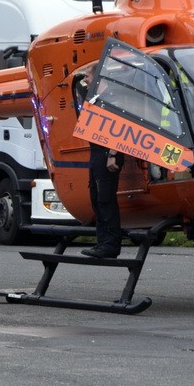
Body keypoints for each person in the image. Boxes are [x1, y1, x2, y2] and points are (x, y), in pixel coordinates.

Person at [77, 70, 124, 259]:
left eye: (87, 76)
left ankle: (111, 245)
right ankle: (102, 242)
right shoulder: (96, 98)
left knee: (105, 199)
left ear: (98, 77)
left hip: (107, 154)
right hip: (97, 153)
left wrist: (113, 154)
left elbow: (119, 127)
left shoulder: (111, 99)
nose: (85, 80)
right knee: (96, 198)